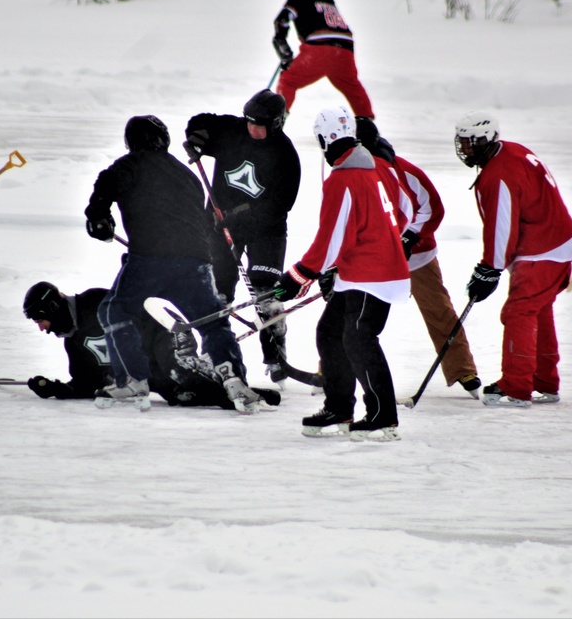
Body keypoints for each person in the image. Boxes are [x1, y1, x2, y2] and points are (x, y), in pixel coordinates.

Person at [83, 115, 266, 414]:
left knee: (114, 310)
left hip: (149, 259)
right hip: (196, 261)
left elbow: (106, 184)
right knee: (212, 320)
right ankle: (233, 378)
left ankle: (133, 379)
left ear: (132, 141)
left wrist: (98, 216)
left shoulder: (131, 164)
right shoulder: (187, 174)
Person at [273, 106, 409, 441]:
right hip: (365, 271)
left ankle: (382, 417)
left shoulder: (343, 179)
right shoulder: (374, 169)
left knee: (359, 339)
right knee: (331, 332)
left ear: (324, 138)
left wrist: (300, 274)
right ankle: (339, 408)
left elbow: (331, 237)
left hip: (372, 275)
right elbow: (403, 211)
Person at [454, 110, 572, 408]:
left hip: (542, 252)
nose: (465, 149)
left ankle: (517, 386)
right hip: (557, 242)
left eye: (471, 143)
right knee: (538, 309)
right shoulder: (513, 150)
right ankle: (545, 381)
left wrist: (490, 268)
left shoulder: (498, 175)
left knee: (518, 313)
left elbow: (501, 227)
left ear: (486, 140)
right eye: (462, 142)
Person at [356, 120, 482, 401]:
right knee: (350, 313)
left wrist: (409, 238)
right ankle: (330, 369)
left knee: (439, 311)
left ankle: (462, 369)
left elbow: (433, 209)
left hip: (417, 259)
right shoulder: (352, 173)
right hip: (372, 260)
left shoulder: (404, 171)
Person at [183, 90, 301, 386]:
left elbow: (278, 207)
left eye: (259, 125)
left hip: (266, 230)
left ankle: (275, 355)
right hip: (219, 227)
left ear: (276, 124)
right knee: (218, 293)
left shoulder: (285, 156)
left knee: (267, 295)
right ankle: (216, 353)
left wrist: (236, 215)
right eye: (249, 122)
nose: (252, 129)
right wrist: (196, 139)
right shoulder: (232, 130)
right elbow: (199, 122)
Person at [22, 281, 280, 409]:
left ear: (54, 309)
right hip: (147, 369)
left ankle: (235, 386)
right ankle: (242, 393)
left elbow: (147, 316)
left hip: (166, 333)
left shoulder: (97, 301)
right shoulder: (74, 347)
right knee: (179, 396)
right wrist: (56, 389)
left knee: (178, 371)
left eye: (40, 320)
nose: (42, 328)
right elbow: (86, 385)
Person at [272, 0, 374, 121]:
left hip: (320, 48)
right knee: (352, 86)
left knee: (288, 80)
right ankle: (368, 126)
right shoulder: (329, 0)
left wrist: (282, 46)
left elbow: (282, 20)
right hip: (345, 48)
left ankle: (275, 122)